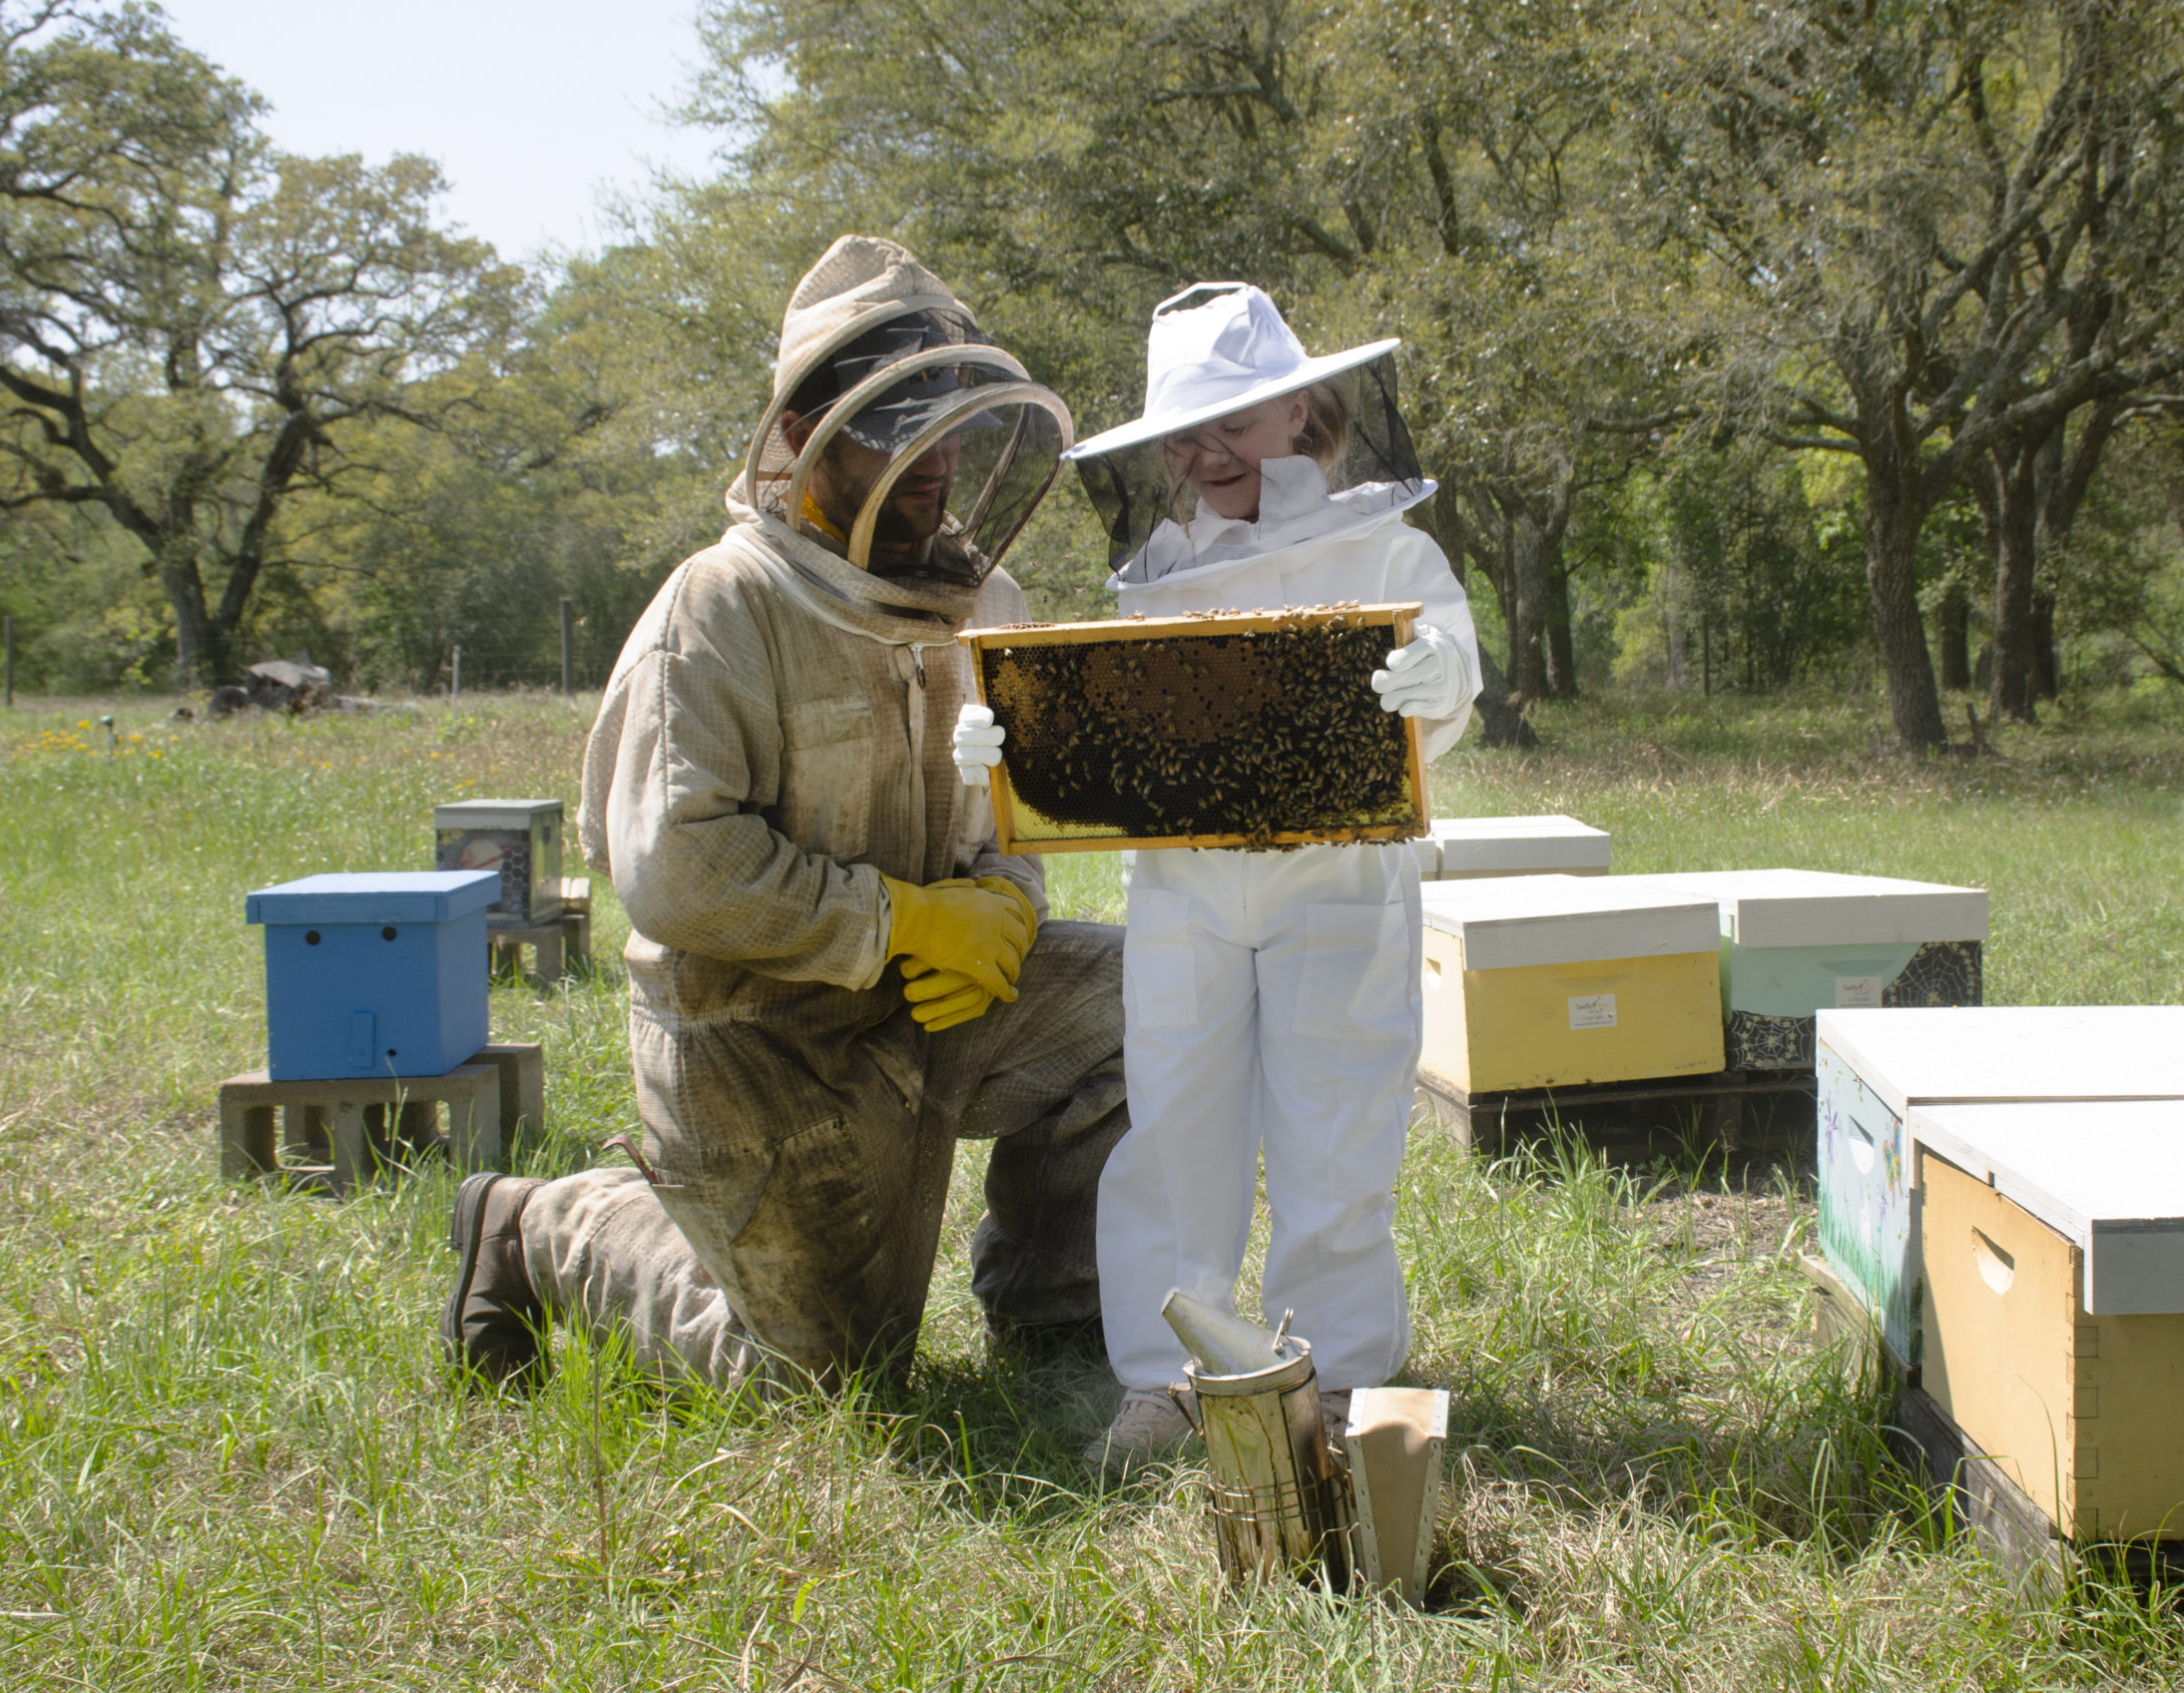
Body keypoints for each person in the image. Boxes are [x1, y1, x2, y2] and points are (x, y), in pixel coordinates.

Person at [440, 235, 1131, 1397]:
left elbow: (1006, 813)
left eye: (950, 425)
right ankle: (544, 1227)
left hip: (930, 1002)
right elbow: (677, 869)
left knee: (1158, 1000)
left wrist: (1003, 905)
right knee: (825, 1378)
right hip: (749, 1033)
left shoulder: (988, 601)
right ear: (808, 437)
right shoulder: (720, 606)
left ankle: (1053, 1301)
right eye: (894, 429)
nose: (934, 460)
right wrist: (902, 919)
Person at [952, 284, 1480, 1466]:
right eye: (1184, 438)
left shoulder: (1387, 547)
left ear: (1299, 411)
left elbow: (1453, 677)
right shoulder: (1158, 574)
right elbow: (1116, 732)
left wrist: (1437, 674)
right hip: (1183, 894)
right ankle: (1167, 1377)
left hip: (1339, 885)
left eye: (1232, 423)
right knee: (1170, 1135)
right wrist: (1009, 744)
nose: (1206, 455)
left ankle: (1333, 1382)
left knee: (1333, 1140)